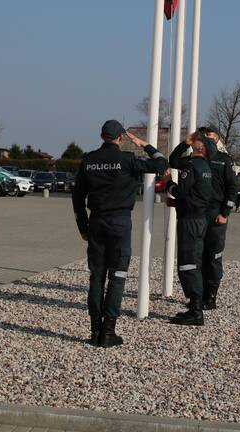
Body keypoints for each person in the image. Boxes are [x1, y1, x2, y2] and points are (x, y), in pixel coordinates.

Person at [72, 120, 168, 348]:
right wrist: (144, 144)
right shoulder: (127, 160)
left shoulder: (89, 160)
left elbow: (77, 198)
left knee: (96, 277)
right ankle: (108, 331)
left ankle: (95, 330)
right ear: (121, 138)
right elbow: (162, 164)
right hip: (120, 223)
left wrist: (83, 228)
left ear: (101, 135)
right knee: (118, 276)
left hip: (96, 222)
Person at [167, 131, 217, 325]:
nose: (195, 139)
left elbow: (181, 191)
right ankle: (194, 306)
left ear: (201, 148)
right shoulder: (205, 166)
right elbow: (173, 160)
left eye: (197, 140)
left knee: (188, 264)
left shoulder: (192, 166)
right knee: (193, 262)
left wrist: (169, 184)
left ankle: (196, 311)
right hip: (198, 219)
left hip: (190, 221)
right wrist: (184, 143)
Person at [198, 126, 238, 309]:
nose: (207, 137)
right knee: (198, 257)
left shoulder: (224, 160)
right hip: (198, 215)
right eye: (204, 135)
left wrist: (225, 214)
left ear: (217, 138)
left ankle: (211, 297)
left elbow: (232, 189)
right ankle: (198, 294)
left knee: (213, 257)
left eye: (210, 134)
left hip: (216, 216)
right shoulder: (197, 159)